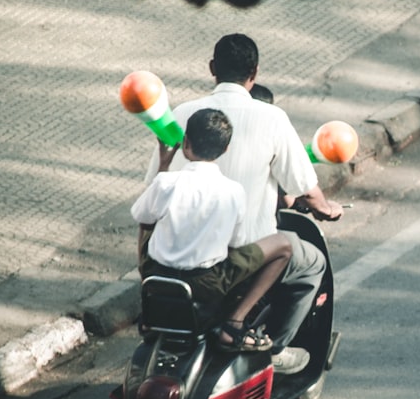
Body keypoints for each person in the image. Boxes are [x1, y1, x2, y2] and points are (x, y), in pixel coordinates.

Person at [144, 33, 343, 375]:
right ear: (254, 73)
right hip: (235, 260)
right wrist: (326, 208)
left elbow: (150, 194)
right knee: (310, 263)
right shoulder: (271, 119)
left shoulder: (181, 114)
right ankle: (271, 347)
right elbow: (305, 188)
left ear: (212, 68)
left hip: (171, 258)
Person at [133, 108, 292, 353]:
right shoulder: (234, 191)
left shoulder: (166, 182)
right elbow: (236, 241)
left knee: (147, 222)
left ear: (186, 143)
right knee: (283, 245)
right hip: (206, 283)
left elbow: (142, 218)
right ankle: (234, 322)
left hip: (156, 274)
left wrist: (163, 167)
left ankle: (149, 309)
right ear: (225, 150)